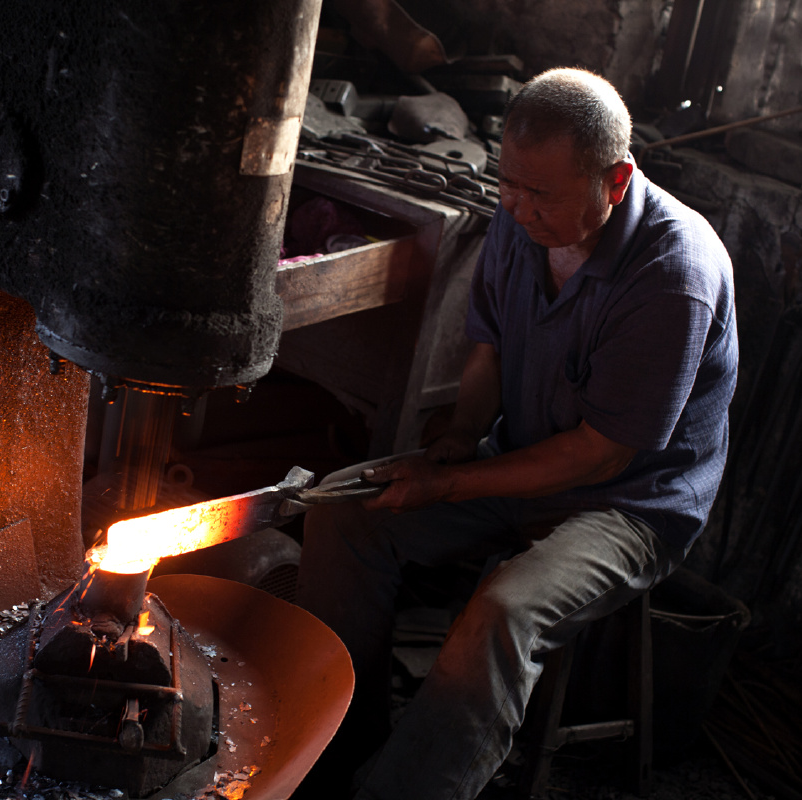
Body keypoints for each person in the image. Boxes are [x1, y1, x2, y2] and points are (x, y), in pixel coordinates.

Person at [294, 67, 738, 800]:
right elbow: (488, 347)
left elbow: (601, 452)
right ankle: (338, 754)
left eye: (543, 196)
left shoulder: (673, 273)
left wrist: (449, 482)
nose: (519, 210)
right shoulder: (517, 220)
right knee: (345, 519)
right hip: (520, 459)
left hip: (629, 504)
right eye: (510, 186)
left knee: (501, 611)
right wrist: (464, 431)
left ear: (616, 179)